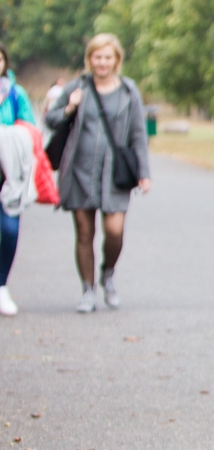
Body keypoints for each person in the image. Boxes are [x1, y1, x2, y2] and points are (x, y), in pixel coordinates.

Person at [47, 33, 152, 314]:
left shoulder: (129, 91)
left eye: (107, 57)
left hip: (114, 172)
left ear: (116, 60)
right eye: (97, 57)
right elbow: (51, 118)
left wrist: (144, 172)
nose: (102, 62)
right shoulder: (76, 87)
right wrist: (70, 106)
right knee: (84, 232)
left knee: (114, 231)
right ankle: (88, 290)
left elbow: (138, 134)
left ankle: (108, 273)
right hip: (79, 169)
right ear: (89, 59)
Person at [0, 42, 38, 316]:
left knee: (10, 230)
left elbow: (31, 129)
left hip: (8, 174)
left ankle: (1, 285)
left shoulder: (15, 93)